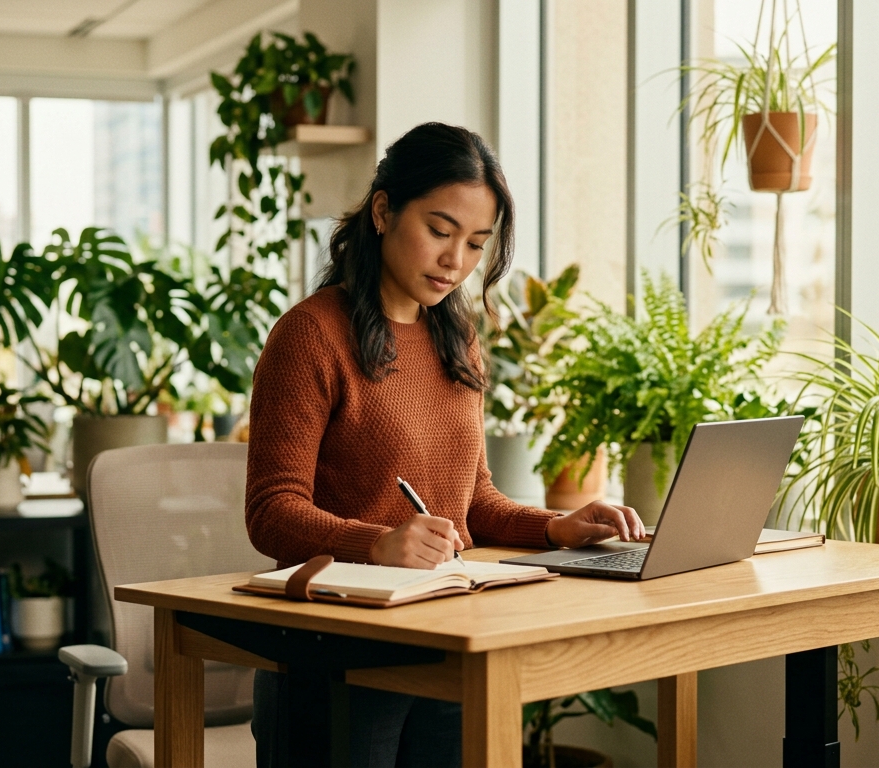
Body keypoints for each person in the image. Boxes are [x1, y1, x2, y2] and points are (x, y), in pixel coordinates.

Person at [244, 122, 644, 768]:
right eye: (439, 230)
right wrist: (377, 542)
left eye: (476, 243)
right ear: (383, 210)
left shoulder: (457, 342)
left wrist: (557, 527)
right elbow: (270, 511)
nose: (456, 260)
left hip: (450, 635)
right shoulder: (309, 336)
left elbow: (472, 502)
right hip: (340, 648)